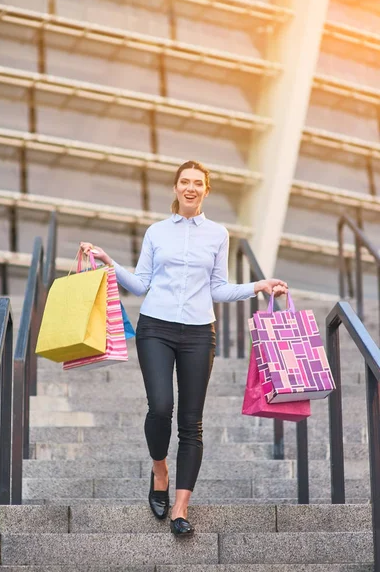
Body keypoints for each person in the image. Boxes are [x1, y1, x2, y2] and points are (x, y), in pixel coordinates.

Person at [80, 160, 288, 537]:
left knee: (191, 423)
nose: (190, 188)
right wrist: (110, 263)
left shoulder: (217, 234)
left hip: (197, 333)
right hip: (155, 327)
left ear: (206, 191)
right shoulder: (157, 232)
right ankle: (160, 468)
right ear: (175, 188)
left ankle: (180, 506)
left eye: (198, 183)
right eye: (184, 182)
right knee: (160, 406)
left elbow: (219, 288)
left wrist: (258, 285)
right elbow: (141, 284)